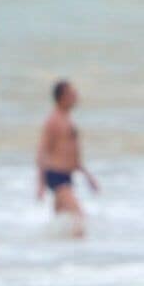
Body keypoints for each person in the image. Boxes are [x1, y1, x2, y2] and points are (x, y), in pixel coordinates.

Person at [35, 80, 96, 234]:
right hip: (56, 176)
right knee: (79, 217)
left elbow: (72, 153)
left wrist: (87, 175)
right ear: (62, 97)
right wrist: (40, 184)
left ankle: (61, 255)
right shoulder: (53, 121)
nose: (76, 97)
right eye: (72, 94)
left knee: (61, 223)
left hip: (67, 175)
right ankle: (79, 254)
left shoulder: (67, 119)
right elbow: (42, 151)